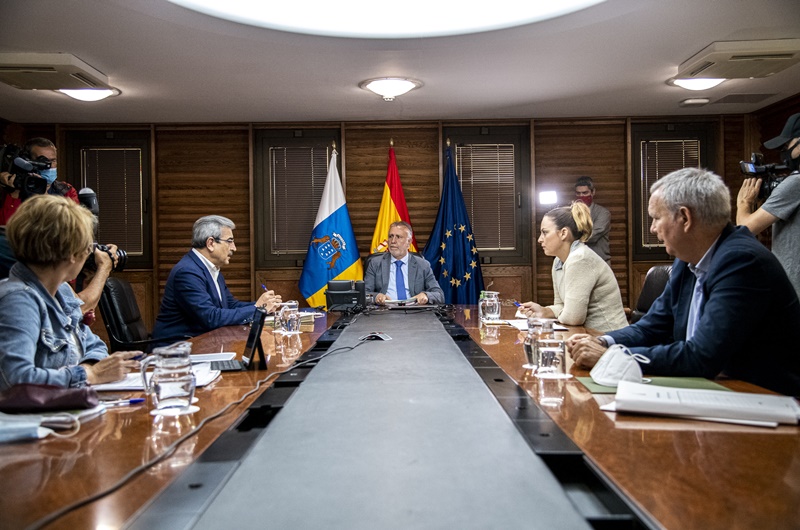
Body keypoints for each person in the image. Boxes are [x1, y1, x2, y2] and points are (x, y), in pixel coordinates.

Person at [569, 168, 800, 396]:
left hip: (767, 399)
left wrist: (614, 358)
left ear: (685, 218)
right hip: (717, 390)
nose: (652, 228)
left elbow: (703, 356)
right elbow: (652, 327)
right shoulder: (687, 259)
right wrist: (602, 342)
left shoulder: (742, 262)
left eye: (656, 218)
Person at [0, 195, 140, 391]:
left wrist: (89, 369)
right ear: (72, 254)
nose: (89, 253)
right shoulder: (18, 300)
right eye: (89, 247)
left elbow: (95, 345)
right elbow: (16, 380)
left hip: (70, 403)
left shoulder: (61, 291)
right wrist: (89, 374)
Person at [152, 215, 281, 341]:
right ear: (211, 243)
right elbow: (211, 318)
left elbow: (230, 305)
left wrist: (263, 305)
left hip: (204, 342)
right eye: (229, 241)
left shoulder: (211, 269)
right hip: (177, 348)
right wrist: (257, 309)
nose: (234, 248)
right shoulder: (187, 272)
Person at [519, 202, 627, 333]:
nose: (540, 239)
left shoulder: (580, 259)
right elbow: (562, 306)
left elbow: (573, 318)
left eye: (545, 233)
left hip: (609, 337)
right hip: (585, 336)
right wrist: (544, 311)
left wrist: (553, 317)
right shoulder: (559, 261)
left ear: (563, 233)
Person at [736, 112, 800, 300]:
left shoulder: (795, 183)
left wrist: (744, 202)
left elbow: (745, 229)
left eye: (787, 146)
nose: (784, 152)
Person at [364, 221, 444, 306]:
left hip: (414, 310)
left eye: (398, 237)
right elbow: (364, 294)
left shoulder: (423, 265)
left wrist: (426, 295)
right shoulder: (375, 263)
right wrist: (376, 297)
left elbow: (439, 295)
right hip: (386, 310)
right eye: (391, 236)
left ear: (409, 242)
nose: (393, 241)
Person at [574, 176, 611, 264]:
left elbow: (593, 236)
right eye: (578, 193)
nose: (581, 196)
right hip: (577, 262)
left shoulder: (603, 213)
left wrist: (572, 237)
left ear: (593, 192)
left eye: (585, 193)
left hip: (599, 262)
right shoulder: (570, 212)